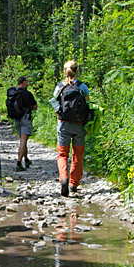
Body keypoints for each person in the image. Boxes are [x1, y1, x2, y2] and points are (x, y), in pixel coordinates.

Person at [53, 60, 89, 197]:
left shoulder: (60, 87)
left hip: (63, 124)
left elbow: (54, 103)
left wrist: (59, 115)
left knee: (62, 153)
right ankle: (74, 183)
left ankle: (64, 178)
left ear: (64, 71)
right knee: (78, 154)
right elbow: (89, 106)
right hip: (79, 125)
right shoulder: (82, 87)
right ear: (77, 71)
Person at [13, 76, 38, 171]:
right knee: (23, 142)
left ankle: (26, 159)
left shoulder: (13, 93)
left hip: (16, 119)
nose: (27, 84)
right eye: (26, 82)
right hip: (25, 118)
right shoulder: (27, 94)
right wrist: (29, 108)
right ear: (23, 83)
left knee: (23, 141)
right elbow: (35, 106)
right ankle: (19, 163)